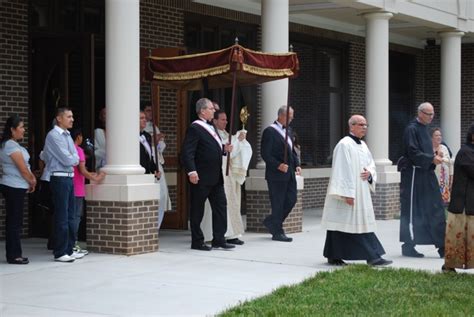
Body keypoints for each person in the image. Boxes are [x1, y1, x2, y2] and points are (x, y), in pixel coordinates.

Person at [321, 115, 392, 266]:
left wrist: (370, 174)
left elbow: (371, 164)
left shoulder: (363, 145)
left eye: (366, 125)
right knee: (345, 224)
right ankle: (372, 256)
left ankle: (333, 255)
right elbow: (341, 170)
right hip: (349, 193)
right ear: (351, 126)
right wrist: (346, 194)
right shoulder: (344, 145)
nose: (364, 127)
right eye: (361, 125)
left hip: (361, 190)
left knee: (342, 224)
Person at [181, 98, 235, 251]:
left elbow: (209, 148)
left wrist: (224, 149)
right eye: (211, 109)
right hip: (201, 177)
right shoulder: (195, 128)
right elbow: (188, 152)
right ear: (202, 111)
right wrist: (192, 171)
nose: (214, 111)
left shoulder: (211, 127)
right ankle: (197, 241)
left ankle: (219, 239)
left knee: (220, 206)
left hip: (216, 177)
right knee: (198, 209)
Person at [398, 102, 446, 258]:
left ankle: (442, 245)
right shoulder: (411, 129)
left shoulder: (425, 129)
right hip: (414, 176)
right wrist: (431, 159)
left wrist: (434, 157)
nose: (431, 117)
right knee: (413, 211)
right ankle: (408, 245)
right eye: (428, 114)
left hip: (427, 174)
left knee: (435, 208)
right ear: (420, 113)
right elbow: (412, 152)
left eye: (433, 114)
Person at [201, 109, 253, 245]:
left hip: (228, 171)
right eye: (222, 119)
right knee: (220, 204)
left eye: (226, 119)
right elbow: (224, 150)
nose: (226, 122)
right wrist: (236, 142)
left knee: (232, 202)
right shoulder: (212, 134)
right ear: (215, 120)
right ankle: (217, 234)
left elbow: (232, 151)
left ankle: (231, 234)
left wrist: (239, 140)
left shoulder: (225, 134)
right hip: (217, 171)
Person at [42, 107, 82, 263]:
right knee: (62, 216)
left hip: (69, 177)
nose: (72, 119)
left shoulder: (67, 135)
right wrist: (72, 157)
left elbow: (76, 157)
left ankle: (69, 249)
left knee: (71, 215)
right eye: (69, 116)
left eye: (72, 116)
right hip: (59, 178)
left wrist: (72, 157)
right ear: (59, 118)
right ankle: (60, 252)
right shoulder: (53, 135)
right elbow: (69, 160)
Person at [261, 105, 301, 242]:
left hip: (289, 173)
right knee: (278, 203)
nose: (292, 119)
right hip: (276, 175)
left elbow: (292, 151)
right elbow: (265, 154)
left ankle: (272, 221)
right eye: (290, 116)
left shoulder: (288, 131)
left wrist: (297, 165)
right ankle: (277, 232)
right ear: (281, 116)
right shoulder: (269, 131)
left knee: (291, 199)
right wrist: (278, 165)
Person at [0, 115, 36, 264]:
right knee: (14, 222)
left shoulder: (14, 145)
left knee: (15, 221)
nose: (23, 130)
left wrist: (30, 180)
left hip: (17, 186)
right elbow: (22, 169)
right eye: (21, 127)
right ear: (12, 129)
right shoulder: (10, 145)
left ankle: (14, 254)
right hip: (13, 186)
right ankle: (14, 255)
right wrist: (32, 181)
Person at [442, 124, 474, 273]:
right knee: (457, 236)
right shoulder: (466, 152)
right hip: (463, 205)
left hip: (470, 203)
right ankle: (449, 266)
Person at [71, 128, 105, 255]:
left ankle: (69, 244)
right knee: (76, 217)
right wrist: (97, 177)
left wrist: (91, 174)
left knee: (69, 217)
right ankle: (73, 244)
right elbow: (82, 171)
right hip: (78, 189)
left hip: (70, 187)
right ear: (78, 137)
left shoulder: (68, 149)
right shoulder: (78, 150)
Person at [142, 102, 172, 228]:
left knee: (162, 194)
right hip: (147, 164)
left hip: (157, 163)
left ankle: (157, 226)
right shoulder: (141, 131)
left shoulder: (154, 127)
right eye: (148, 111)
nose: (150, 113)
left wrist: (159, 140)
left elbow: (161, 147)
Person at [431, 128, 453, 205]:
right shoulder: (429, 149)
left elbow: (450, 163)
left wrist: (451, 177)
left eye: (440, 135)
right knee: (433, 202)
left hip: (444, 180)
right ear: (432, 137)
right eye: (436, 135)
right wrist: (437, 155)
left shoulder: (444, 148)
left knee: (444, 203)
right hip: (433, 180)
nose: (439, 137)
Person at [94, 107, 106, 171]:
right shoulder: (98, 132)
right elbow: (95, 152)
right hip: (100, 168)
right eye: (105, 114)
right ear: (100, 117)